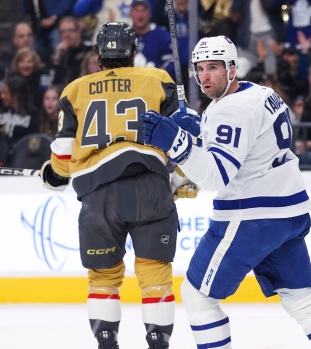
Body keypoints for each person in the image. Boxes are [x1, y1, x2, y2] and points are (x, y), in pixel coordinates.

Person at [139, 35, 311, 348]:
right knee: (305, 300)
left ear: (232, 68)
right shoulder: (262, 93)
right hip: (289, 213)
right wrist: (200, 132)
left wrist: (177, 143)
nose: (205, 75)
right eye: (200, 68)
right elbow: (247, 148)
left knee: (197, 295)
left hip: (251, 216)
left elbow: (217, 175)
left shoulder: (231, 110)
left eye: (214, 67)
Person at [38, 22, 195, 349]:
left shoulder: (75, 89)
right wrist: (181, 178)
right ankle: (158, 342)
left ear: (98, 55)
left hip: (99, 195)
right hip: (150, 187)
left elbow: (63, 158)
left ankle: (107, 342)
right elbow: (180, 137)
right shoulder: (159, 80)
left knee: (103, 279)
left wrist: (53, 174)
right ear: (134, 52)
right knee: (155, 277)